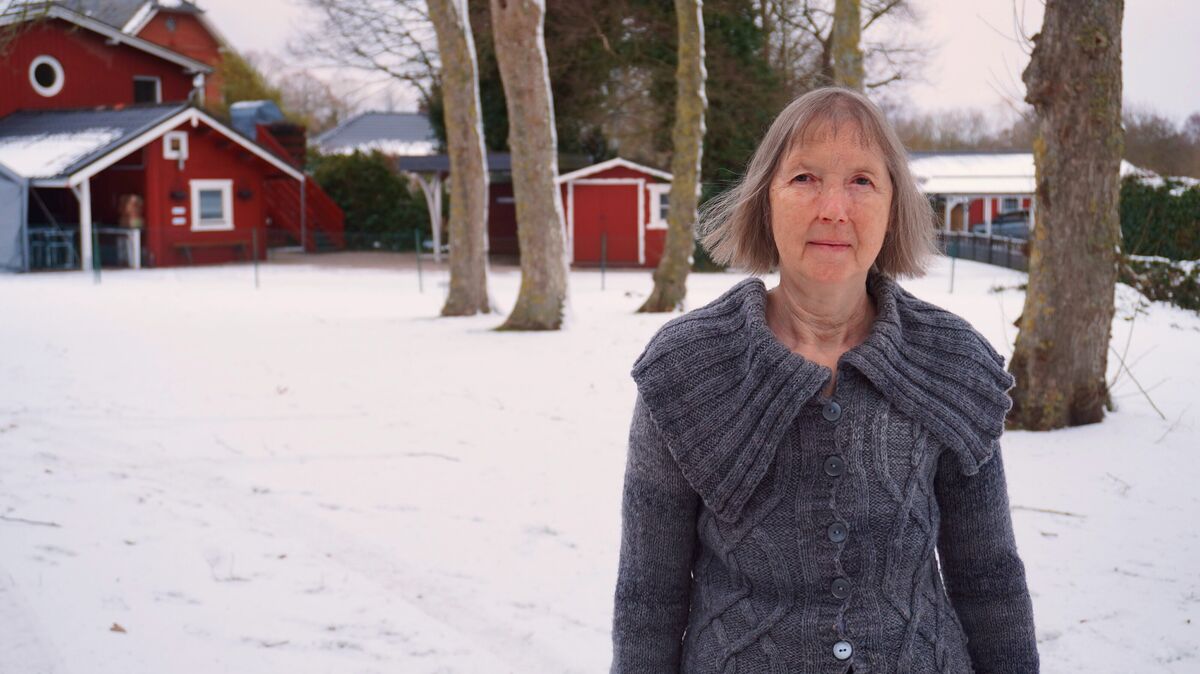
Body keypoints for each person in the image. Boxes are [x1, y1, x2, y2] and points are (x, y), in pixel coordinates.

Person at [610, 87, 1039, 673]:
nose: (833, 208)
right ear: (765, 200)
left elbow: (989, 579)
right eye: (805, 178)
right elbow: (648, 597)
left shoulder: (952, 359)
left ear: (893, 208)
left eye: (862, 181)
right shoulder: (687, 369)